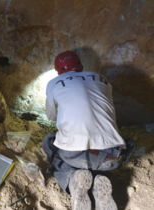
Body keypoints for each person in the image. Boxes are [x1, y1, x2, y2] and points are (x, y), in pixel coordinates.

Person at [43, 51, 126, 210]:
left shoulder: (54, 83)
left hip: (76, 156)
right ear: (80, 65)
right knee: (98, 156)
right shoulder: (102, 79)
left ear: (58, 70)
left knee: (49, 142)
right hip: (112, 157)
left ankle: (74, 179)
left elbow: (51, 116)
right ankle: (100, 180)